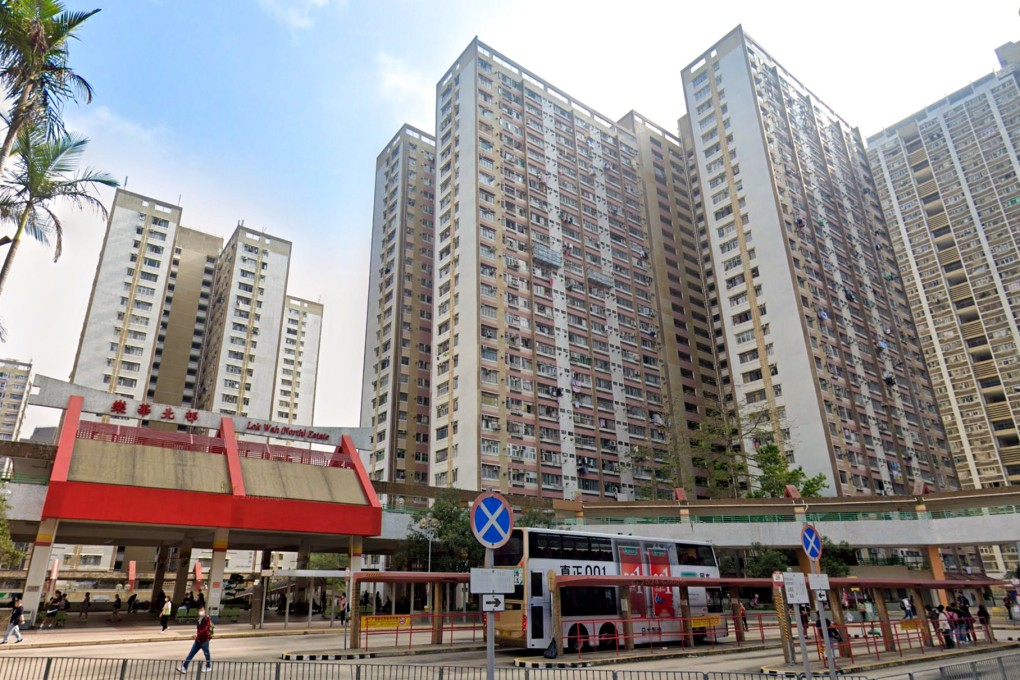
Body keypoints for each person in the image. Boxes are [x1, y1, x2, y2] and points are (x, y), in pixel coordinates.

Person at [176, 607, 212, 674]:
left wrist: (196, 634)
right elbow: (199, 629)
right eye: (200, 610)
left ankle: (208, 667)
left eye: (202, 610)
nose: (201, 612)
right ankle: (184, 668)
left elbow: (205, 629)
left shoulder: (207, 618)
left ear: (205, 611)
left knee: (207, 654)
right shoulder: (199, 619)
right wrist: (197, 635)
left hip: (204, 640)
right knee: (191, 654)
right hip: (198, 640)